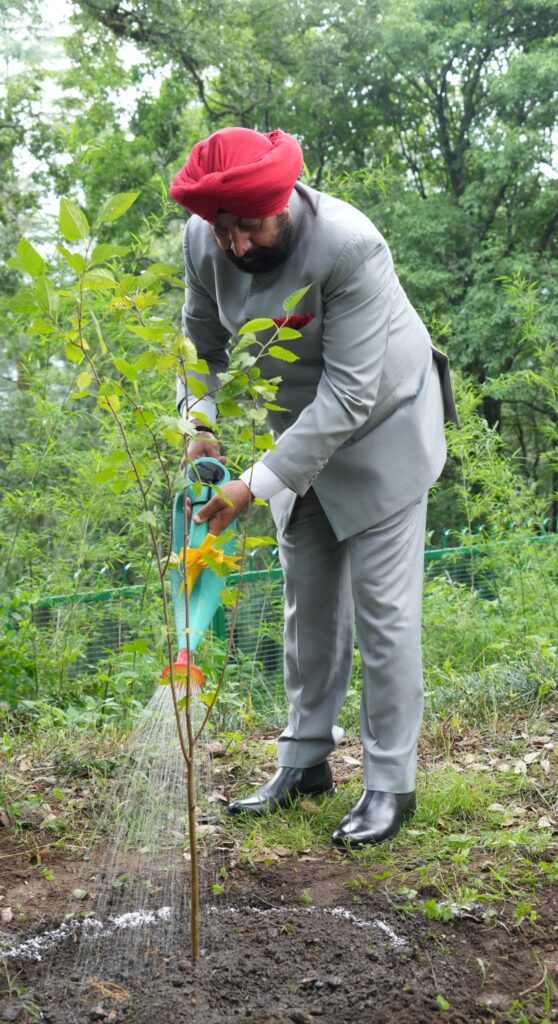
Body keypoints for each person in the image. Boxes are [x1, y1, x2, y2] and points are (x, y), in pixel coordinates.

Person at [169, 127, 458, 848]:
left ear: (282, 204)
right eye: (223, 230)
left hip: (384, 425)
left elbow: (351, 395)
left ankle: (390, 784)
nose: (236, 246)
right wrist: (198, 425)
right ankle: (303, 764)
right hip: (296, 437)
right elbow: (199, 349)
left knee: (385, 614)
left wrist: (251, 486)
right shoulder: (203, 244)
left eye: (249, 227)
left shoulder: (350, 246)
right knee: (309, 607)